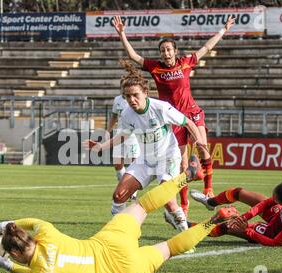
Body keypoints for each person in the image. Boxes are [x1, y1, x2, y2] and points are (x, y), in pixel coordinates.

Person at [0, 165, 237, 273]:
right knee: (144, 205)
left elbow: (22, 272)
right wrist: (2, 224)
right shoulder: (47, 233)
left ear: (16, 254)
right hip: (111, 241)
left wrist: (2, 263)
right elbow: (33, 221)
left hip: (125, 270)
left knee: (170, 248)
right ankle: (187, 176)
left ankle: (213, 221)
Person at [112, 15, 236, 216]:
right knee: (182, 164)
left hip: (191, 112)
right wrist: (122, 34)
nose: (166, 52)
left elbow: (206, 48)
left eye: (169, 49)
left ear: (175, 51)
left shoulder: (185, 62)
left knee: (204, 149)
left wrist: (223, 30)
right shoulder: (155, 67)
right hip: (172, 119)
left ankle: (208, 190)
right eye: (162, 50)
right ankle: (184, 204)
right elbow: (134, 56)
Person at [84, 60, 203, 231]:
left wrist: (198, 141)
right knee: (119, 195)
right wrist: (101, 147)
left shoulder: (161, 108)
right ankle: (119, 233)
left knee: (167, 201)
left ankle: (184, 235)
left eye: (135, 95)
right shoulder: (126, 114)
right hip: (145, 161)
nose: (131, 100)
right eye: (127, 96)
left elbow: (188, 123)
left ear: (145, 92)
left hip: (167, 158)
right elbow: (122, 137)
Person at [189, 181, 282, 246]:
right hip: (279, 214)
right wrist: (245, 217)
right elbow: (267, 203)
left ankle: (187, 227)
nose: (272, 199)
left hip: (272, 232)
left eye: (276, 199)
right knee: (239, 193)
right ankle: (210, 202)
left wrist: (247, 231)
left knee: (227, 226)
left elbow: (275, 242)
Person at [106, 92, 140, 201]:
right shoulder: (117, 100)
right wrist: (108, 131)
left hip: (133, 134)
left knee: (135, 163)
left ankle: (132, 193)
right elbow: (114, 116)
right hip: (119, 134)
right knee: (117, 164)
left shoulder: (135, 99)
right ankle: (126, 188)